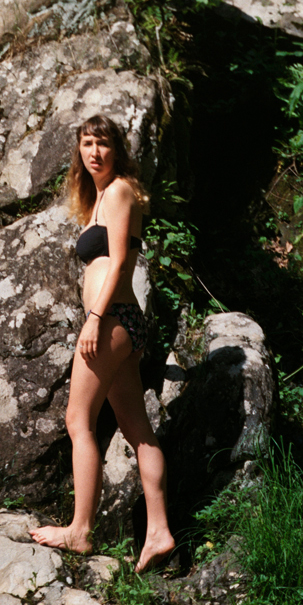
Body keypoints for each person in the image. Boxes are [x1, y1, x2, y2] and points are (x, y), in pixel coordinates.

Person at [33, 115, 176, 569]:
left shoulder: (118, 192)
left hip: (112, 320)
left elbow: (118, 264)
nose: (94, 152)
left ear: (117, 150)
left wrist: (94, 319)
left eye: (103, 144)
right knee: (137, 430)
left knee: (79, 420)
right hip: (121, 321)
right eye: (87, 143)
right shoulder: (98, 199)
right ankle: (158, 532)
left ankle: (81, 530)